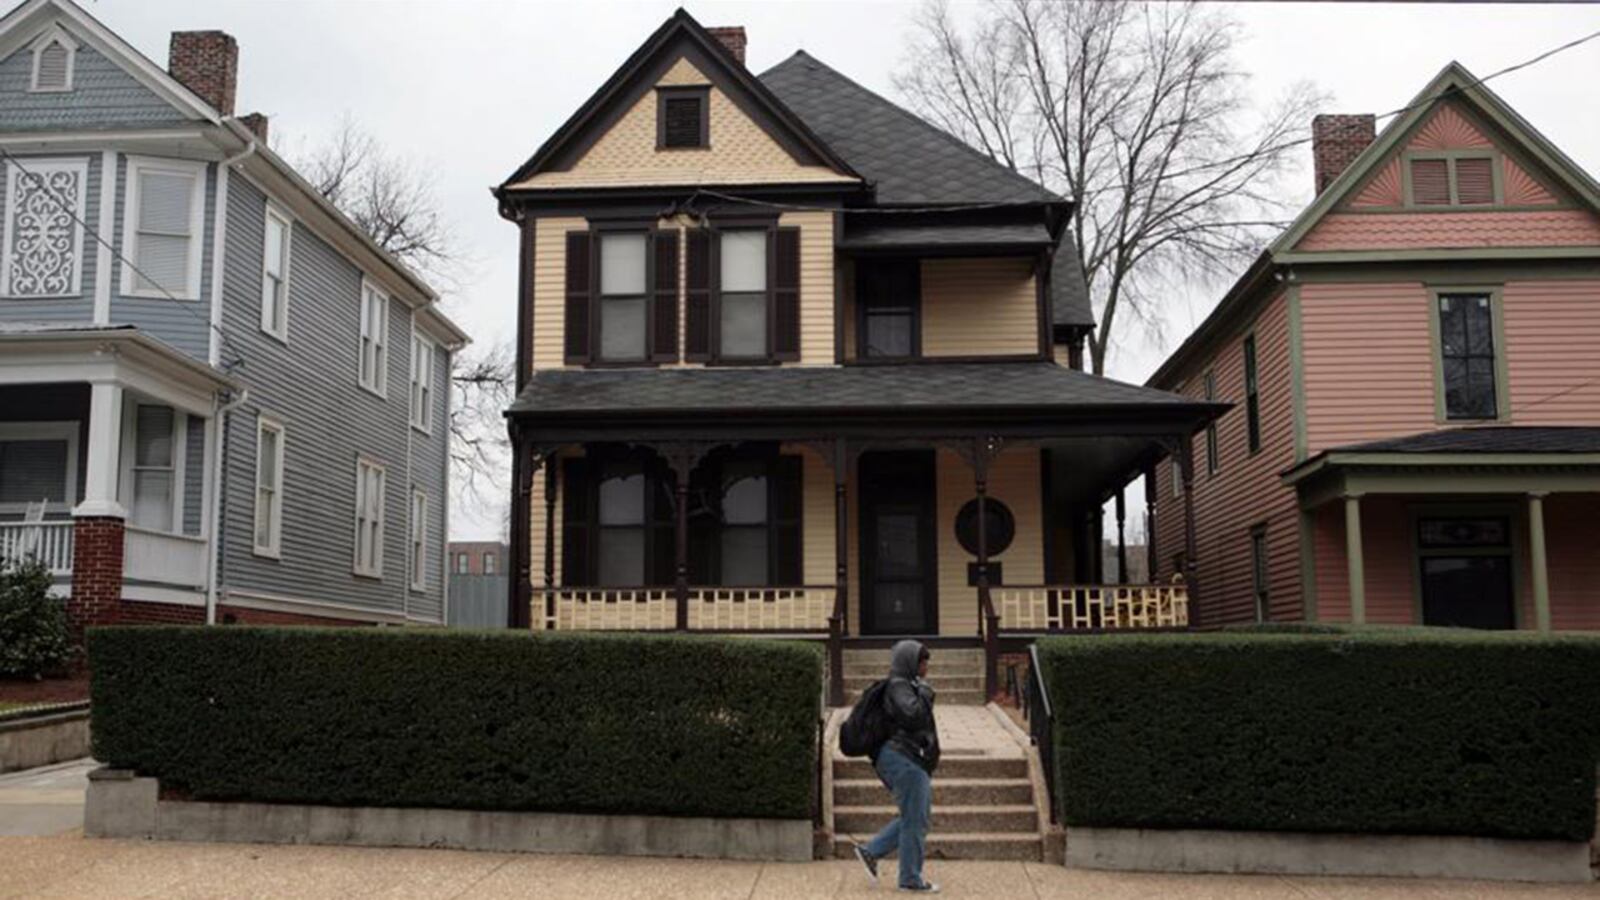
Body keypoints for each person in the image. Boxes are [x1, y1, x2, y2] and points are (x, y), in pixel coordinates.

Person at [853, 640, 940, 893]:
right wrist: (925, 692)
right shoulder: (900, 686)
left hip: (905, 758)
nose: (925, 666)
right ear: (909, 662)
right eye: (922, 661)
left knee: (917, 817)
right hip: (904, 759)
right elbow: (912, 716)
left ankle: (871, 851)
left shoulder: (903, 684)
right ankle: (910, 879)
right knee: (915, 819)